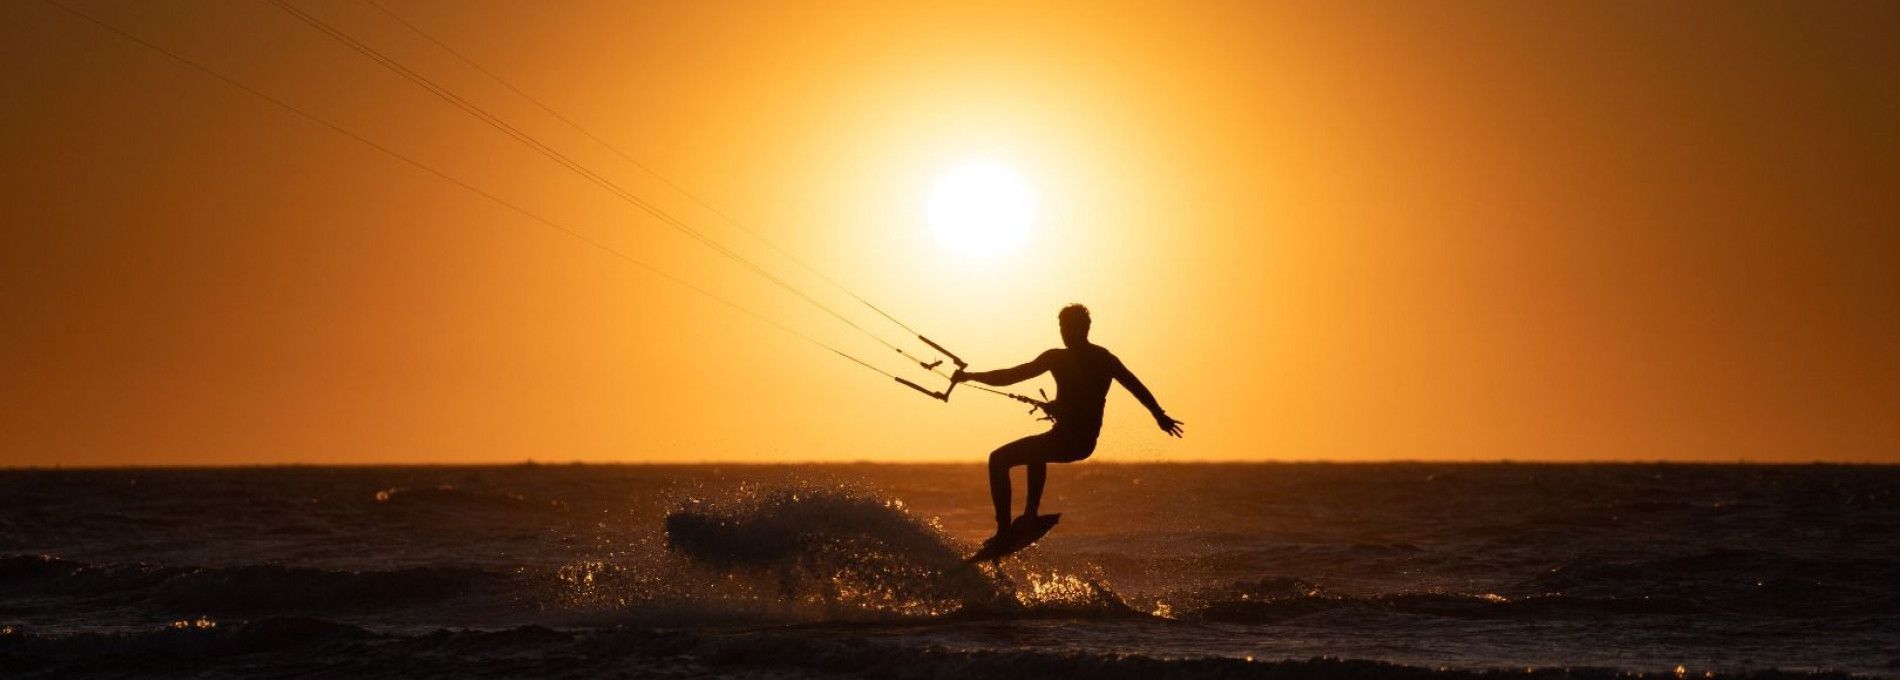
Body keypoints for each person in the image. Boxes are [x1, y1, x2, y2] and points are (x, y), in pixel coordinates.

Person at [952, 303, 1184, 545]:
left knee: (998, 459)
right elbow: (1013, 375)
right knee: (1036, 450)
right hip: (1067, 439)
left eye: (1068, 327)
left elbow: (1134, 386)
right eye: (1061, 327)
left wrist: (1159, 414)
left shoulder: (1100, 359)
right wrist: (971, 376)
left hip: (1076, 441)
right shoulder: (1062, 358)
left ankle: (1004, 531)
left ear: (1084, 329)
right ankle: (1030, 516)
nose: (1064, 332)